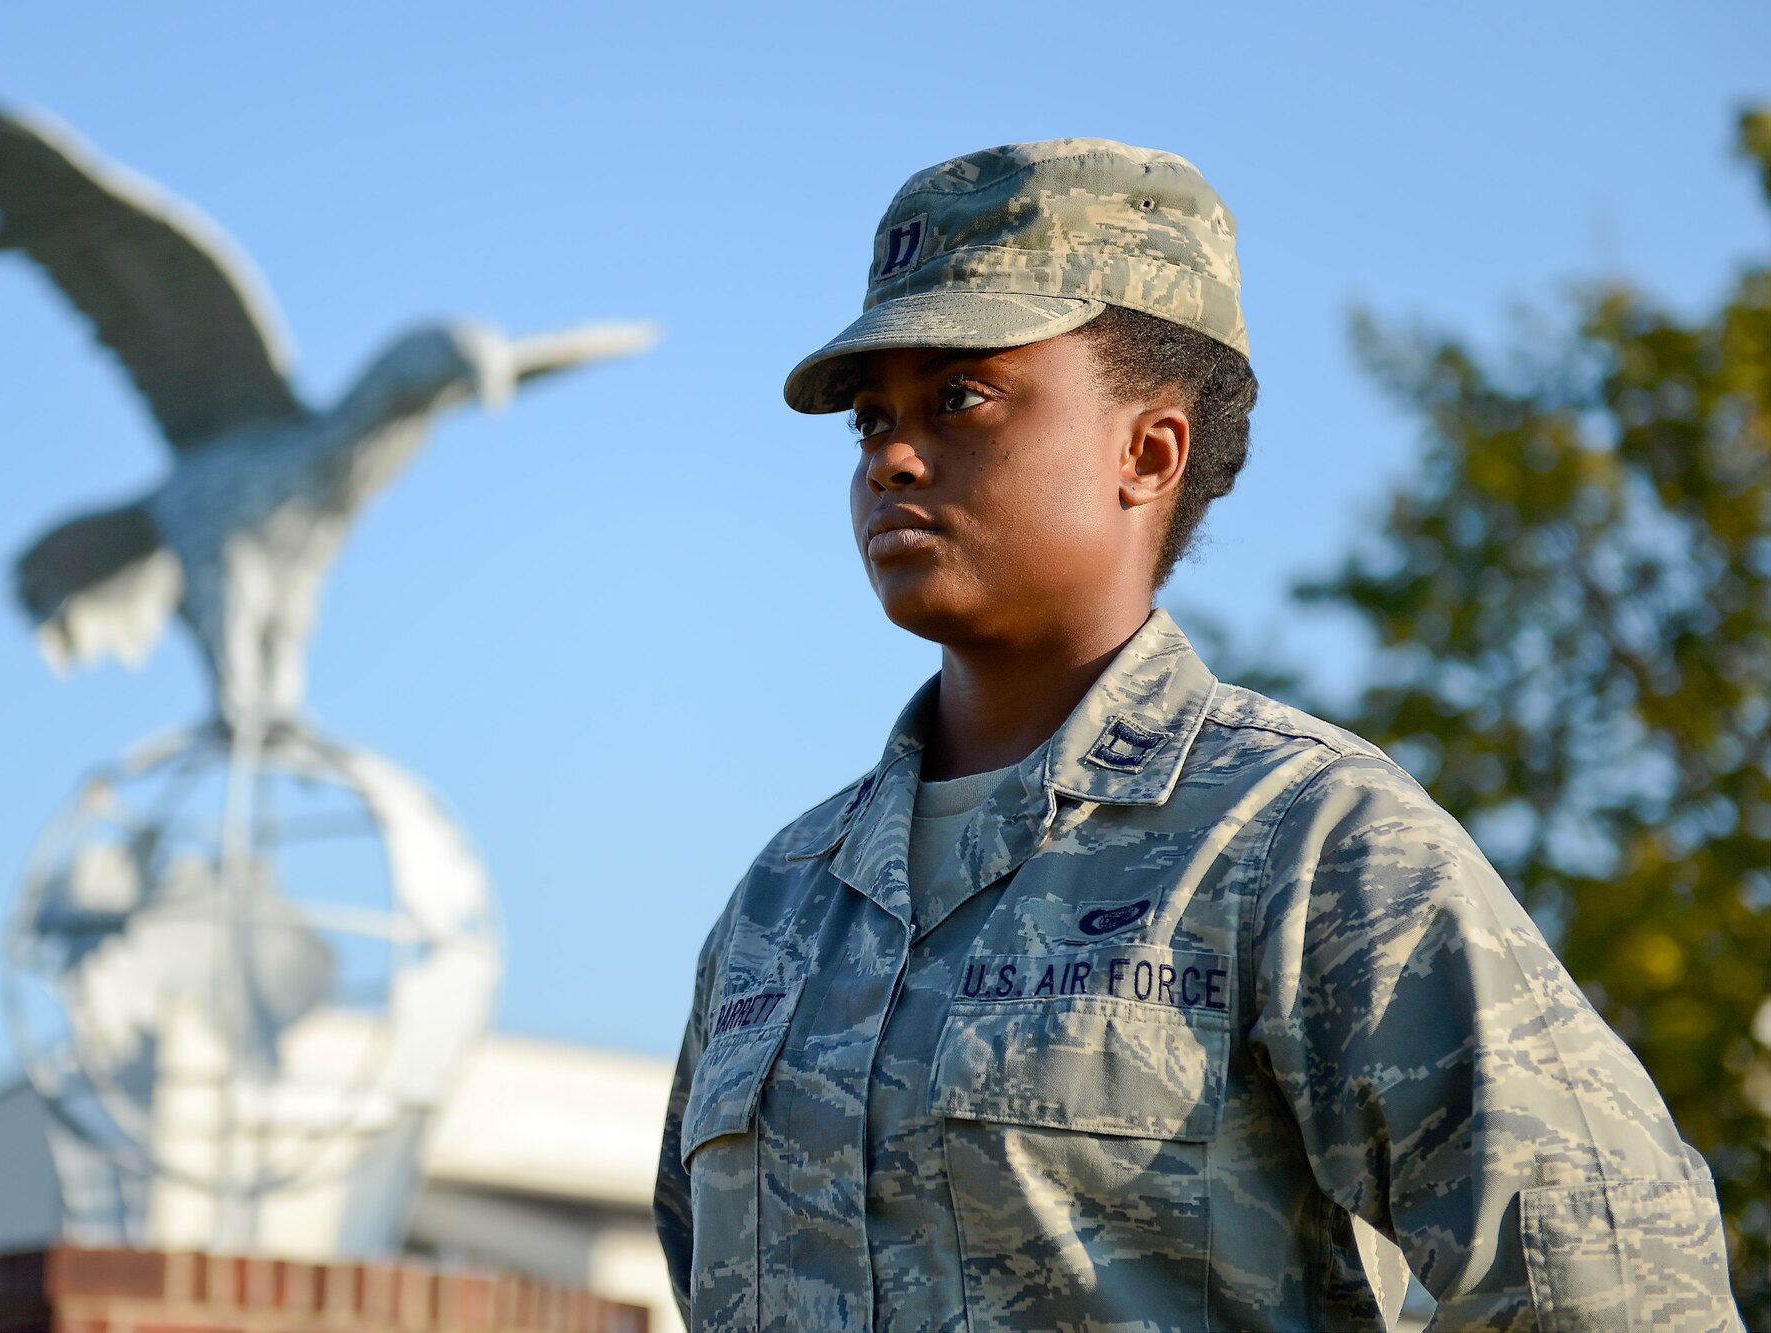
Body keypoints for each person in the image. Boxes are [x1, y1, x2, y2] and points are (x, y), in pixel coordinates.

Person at [651, 138, 1740, 1332]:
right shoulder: (781, 905)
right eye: (869, 419)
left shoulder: (1306, 842)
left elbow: (1618, 1285)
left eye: (959, 397)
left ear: (1147, 451)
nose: (892, 457)